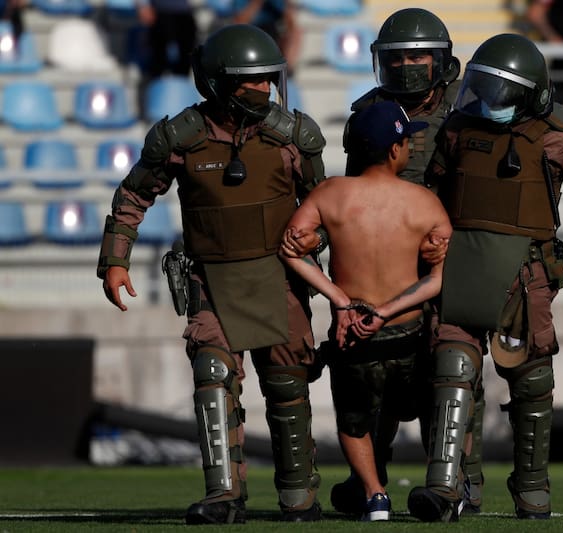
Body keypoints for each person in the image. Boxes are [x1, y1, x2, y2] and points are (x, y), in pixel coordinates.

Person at [407, 33, 563, 522]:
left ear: (529, 93)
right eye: (485, 86)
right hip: (462, 265)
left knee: (531, 380)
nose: (490, 98)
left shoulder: (558, 135)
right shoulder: (457, 129)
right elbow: (428, 193)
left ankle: (532, 488)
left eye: (502, 89)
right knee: (452, 367)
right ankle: (448, 486)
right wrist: (427, 235)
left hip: (525, 276)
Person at [97, 24, 327, 525]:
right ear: (221, 83)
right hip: (210, 280)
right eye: (252, 81)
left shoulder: (293, 137)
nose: (264, 89)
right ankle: (224, 495)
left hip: (280, 280)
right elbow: (134, 194)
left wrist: (317, 239)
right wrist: (115, 260)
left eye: (268, 79)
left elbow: (324, 205)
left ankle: (299, 496)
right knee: (213, 374)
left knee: (287, 383)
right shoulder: (181, 136)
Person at [330, 7, 485, 516]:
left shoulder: (469, 109)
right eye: (396, 58)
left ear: (441, 60)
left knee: (455, 364)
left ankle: (461, 479)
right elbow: (358, 192)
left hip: (448, 255)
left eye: (418, 56)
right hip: (387, 262)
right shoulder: (368, 113)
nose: (407, 66)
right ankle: (368, 479)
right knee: (374, 371)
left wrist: (452, 240)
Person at [280, 100, 453, 521]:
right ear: (395, 150)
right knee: (410, 408)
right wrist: (387, 311)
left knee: (354, 420)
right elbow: (437, 279)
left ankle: (375, 495)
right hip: (405, 333)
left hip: (353, 333)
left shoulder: (329, 193)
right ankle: (438, 484)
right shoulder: (424, 202)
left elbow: (291, 250)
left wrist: (341, 300)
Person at [229, 0, 303, 76]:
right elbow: (239, 22)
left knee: (295, 33)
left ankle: (284, 71)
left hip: (272, 33)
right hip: (251, 34)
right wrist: (257, 2)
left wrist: (287, 7)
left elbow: (291, 24)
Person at [136, 0, 198, 79]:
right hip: (159, 12)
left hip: (185, 13)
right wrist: (143, 5)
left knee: (185, 59)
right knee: (157, 60)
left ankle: (181, 82)